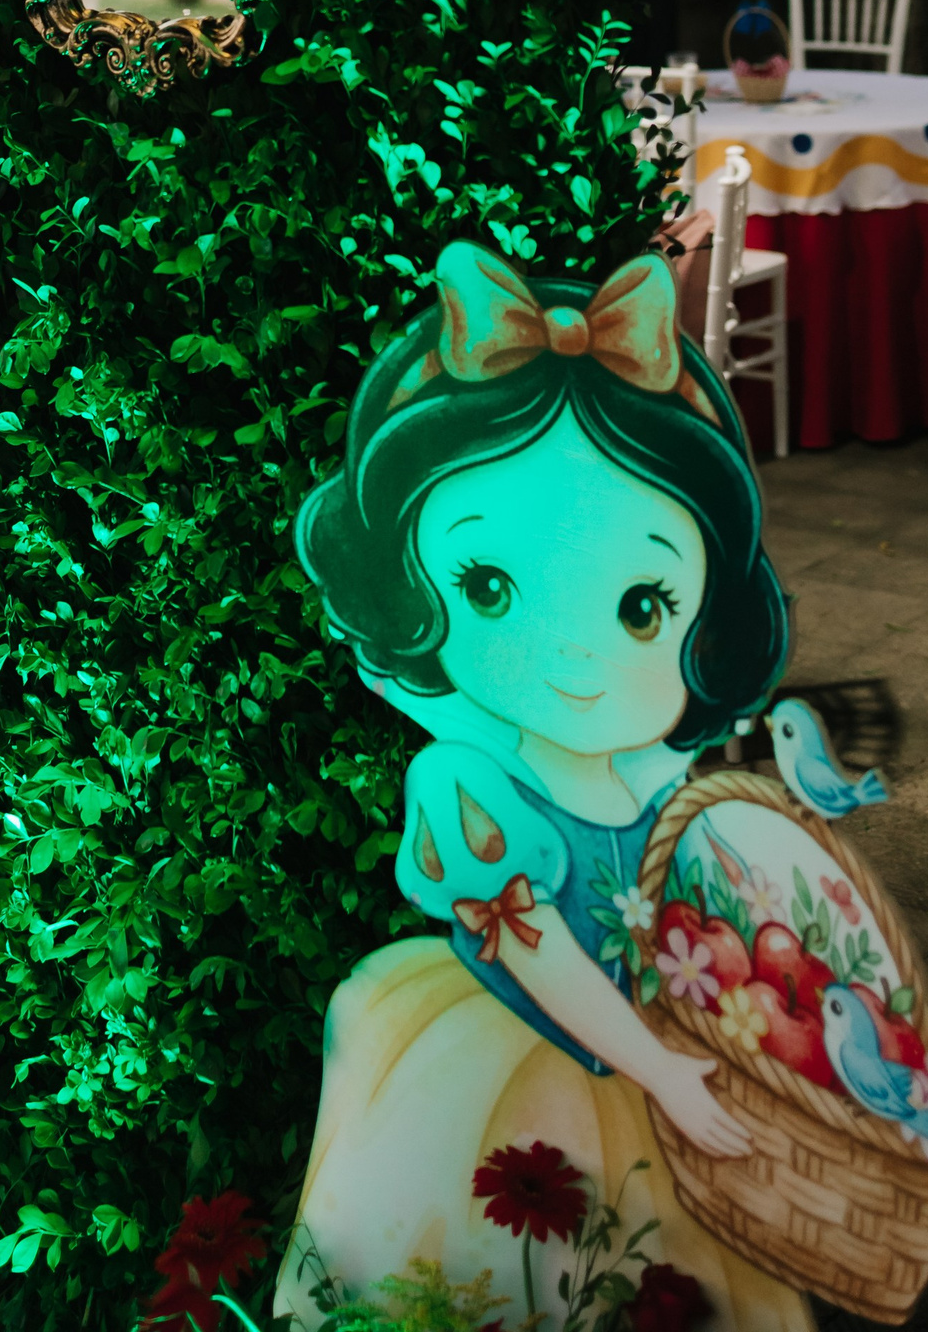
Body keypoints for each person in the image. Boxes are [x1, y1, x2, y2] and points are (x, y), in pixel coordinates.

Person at [276, 240, 816, 1331]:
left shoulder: (656, 772)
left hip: (656, 1042)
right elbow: (538, 950)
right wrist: (661, 1071)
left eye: (641, 607)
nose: (577, 657)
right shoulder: (469, 787)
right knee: (499, 1270)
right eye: (488, 585)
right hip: (519, 1052)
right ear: (415, 592)